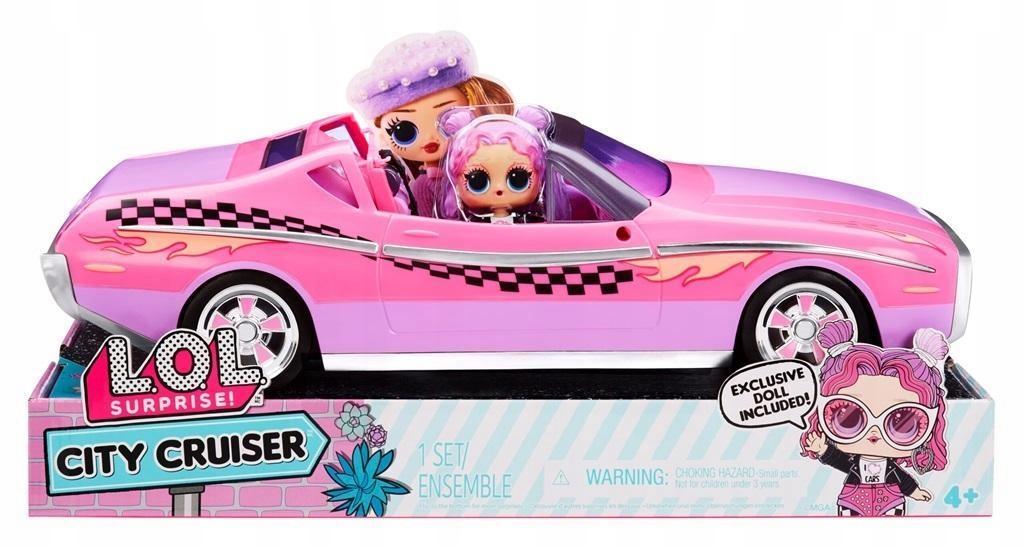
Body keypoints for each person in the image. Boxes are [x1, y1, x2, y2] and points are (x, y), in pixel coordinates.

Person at [347, 31, 513, 217]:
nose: (429, 138)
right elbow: (430, 227)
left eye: (447, 119)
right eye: (404, 132)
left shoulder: (486, 164)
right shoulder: (424, 186)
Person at [800, 319, 949, 516]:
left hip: (890, 501)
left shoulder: (890, 469)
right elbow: (839, 460)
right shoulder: (855, 463)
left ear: (931, 423)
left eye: (902, 423)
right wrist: (823, 449)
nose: (874, 432)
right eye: (849, 418)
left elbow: (902, 479)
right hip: (853, 500)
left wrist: (915, 492)